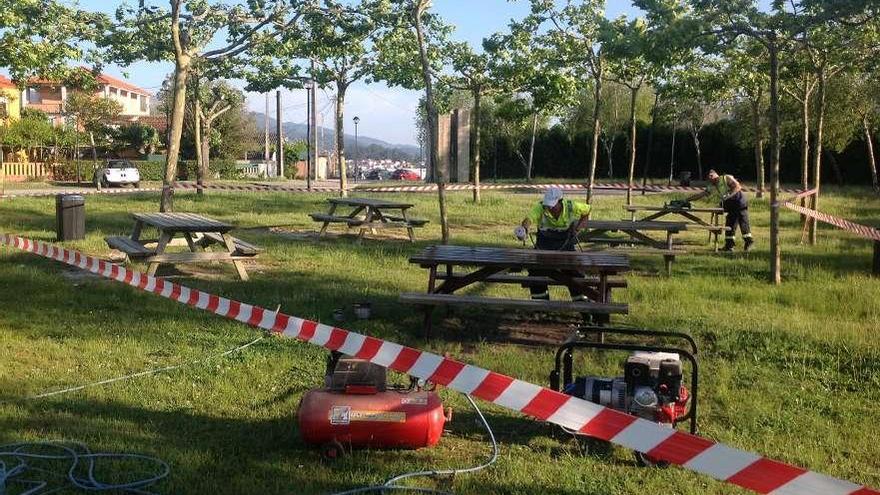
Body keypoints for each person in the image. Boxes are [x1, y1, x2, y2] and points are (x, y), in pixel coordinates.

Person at [515, 187, 591, 301]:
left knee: (575, 272)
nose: (549, 207)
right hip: (543, 247)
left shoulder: (572, 206)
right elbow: (528, 219)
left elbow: (587, 210)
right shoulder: (540, 207)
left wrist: (578, 228)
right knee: (535, 271)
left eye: (552, 205)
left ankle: (582, 304)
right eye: (548, 205)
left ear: (561, 202)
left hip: (566, 246)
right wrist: (524, 229)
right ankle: (541, 306)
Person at [686, 169, 753, 251]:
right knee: (730, 223)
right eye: (708, 180)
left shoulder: (726, 178)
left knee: (743, 222)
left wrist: (728, 196)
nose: (709, 181)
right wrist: (687, 200)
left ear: (713, 175)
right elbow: (701, 194)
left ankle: (749, 242)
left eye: (710, 178)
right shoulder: (712, 185)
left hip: (739, 201)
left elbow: (738, 187)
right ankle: (729, 245)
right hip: (730, 204)